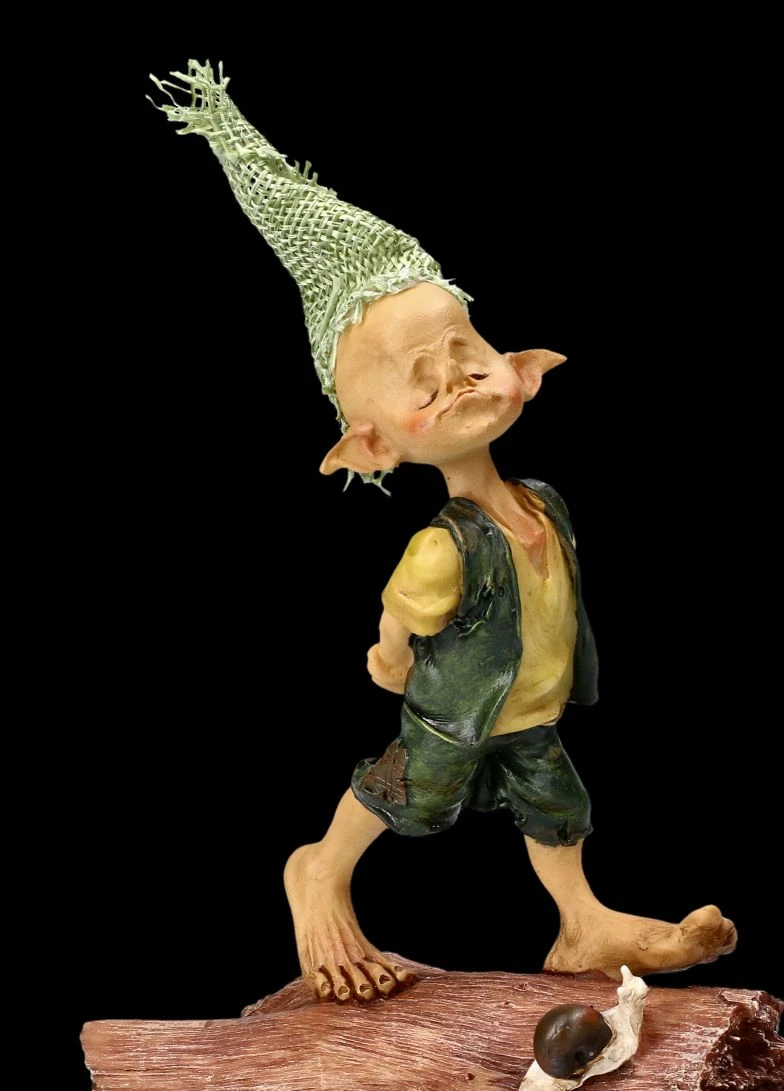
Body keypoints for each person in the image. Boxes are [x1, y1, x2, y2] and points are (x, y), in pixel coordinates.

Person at [151, 62, 737, 1002]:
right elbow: (401, 615)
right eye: (421, 380)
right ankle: (319, 868)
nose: (457, 379)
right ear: (371, 447)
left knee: (556, 804)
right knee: (405, 790)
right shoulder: (441, 545)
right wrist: (390, 656)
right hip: (453, 714)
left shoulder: (542, 500)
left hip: (530, 711)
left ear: (523, 369)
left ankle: (581, 923)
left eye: (466, 354)